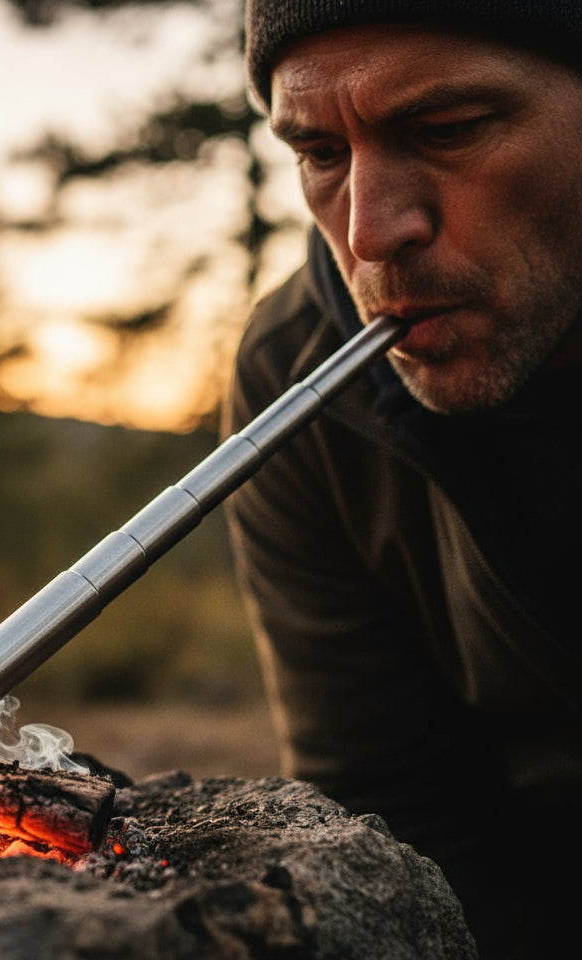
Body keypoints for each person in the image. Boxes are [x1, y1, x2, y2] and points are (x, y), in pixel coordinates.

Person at [228, 3, 582, 956]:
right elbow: (389, 821)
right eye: (319, 153)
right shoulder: (293, 380)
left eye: (447, 130)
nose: (373, 232)